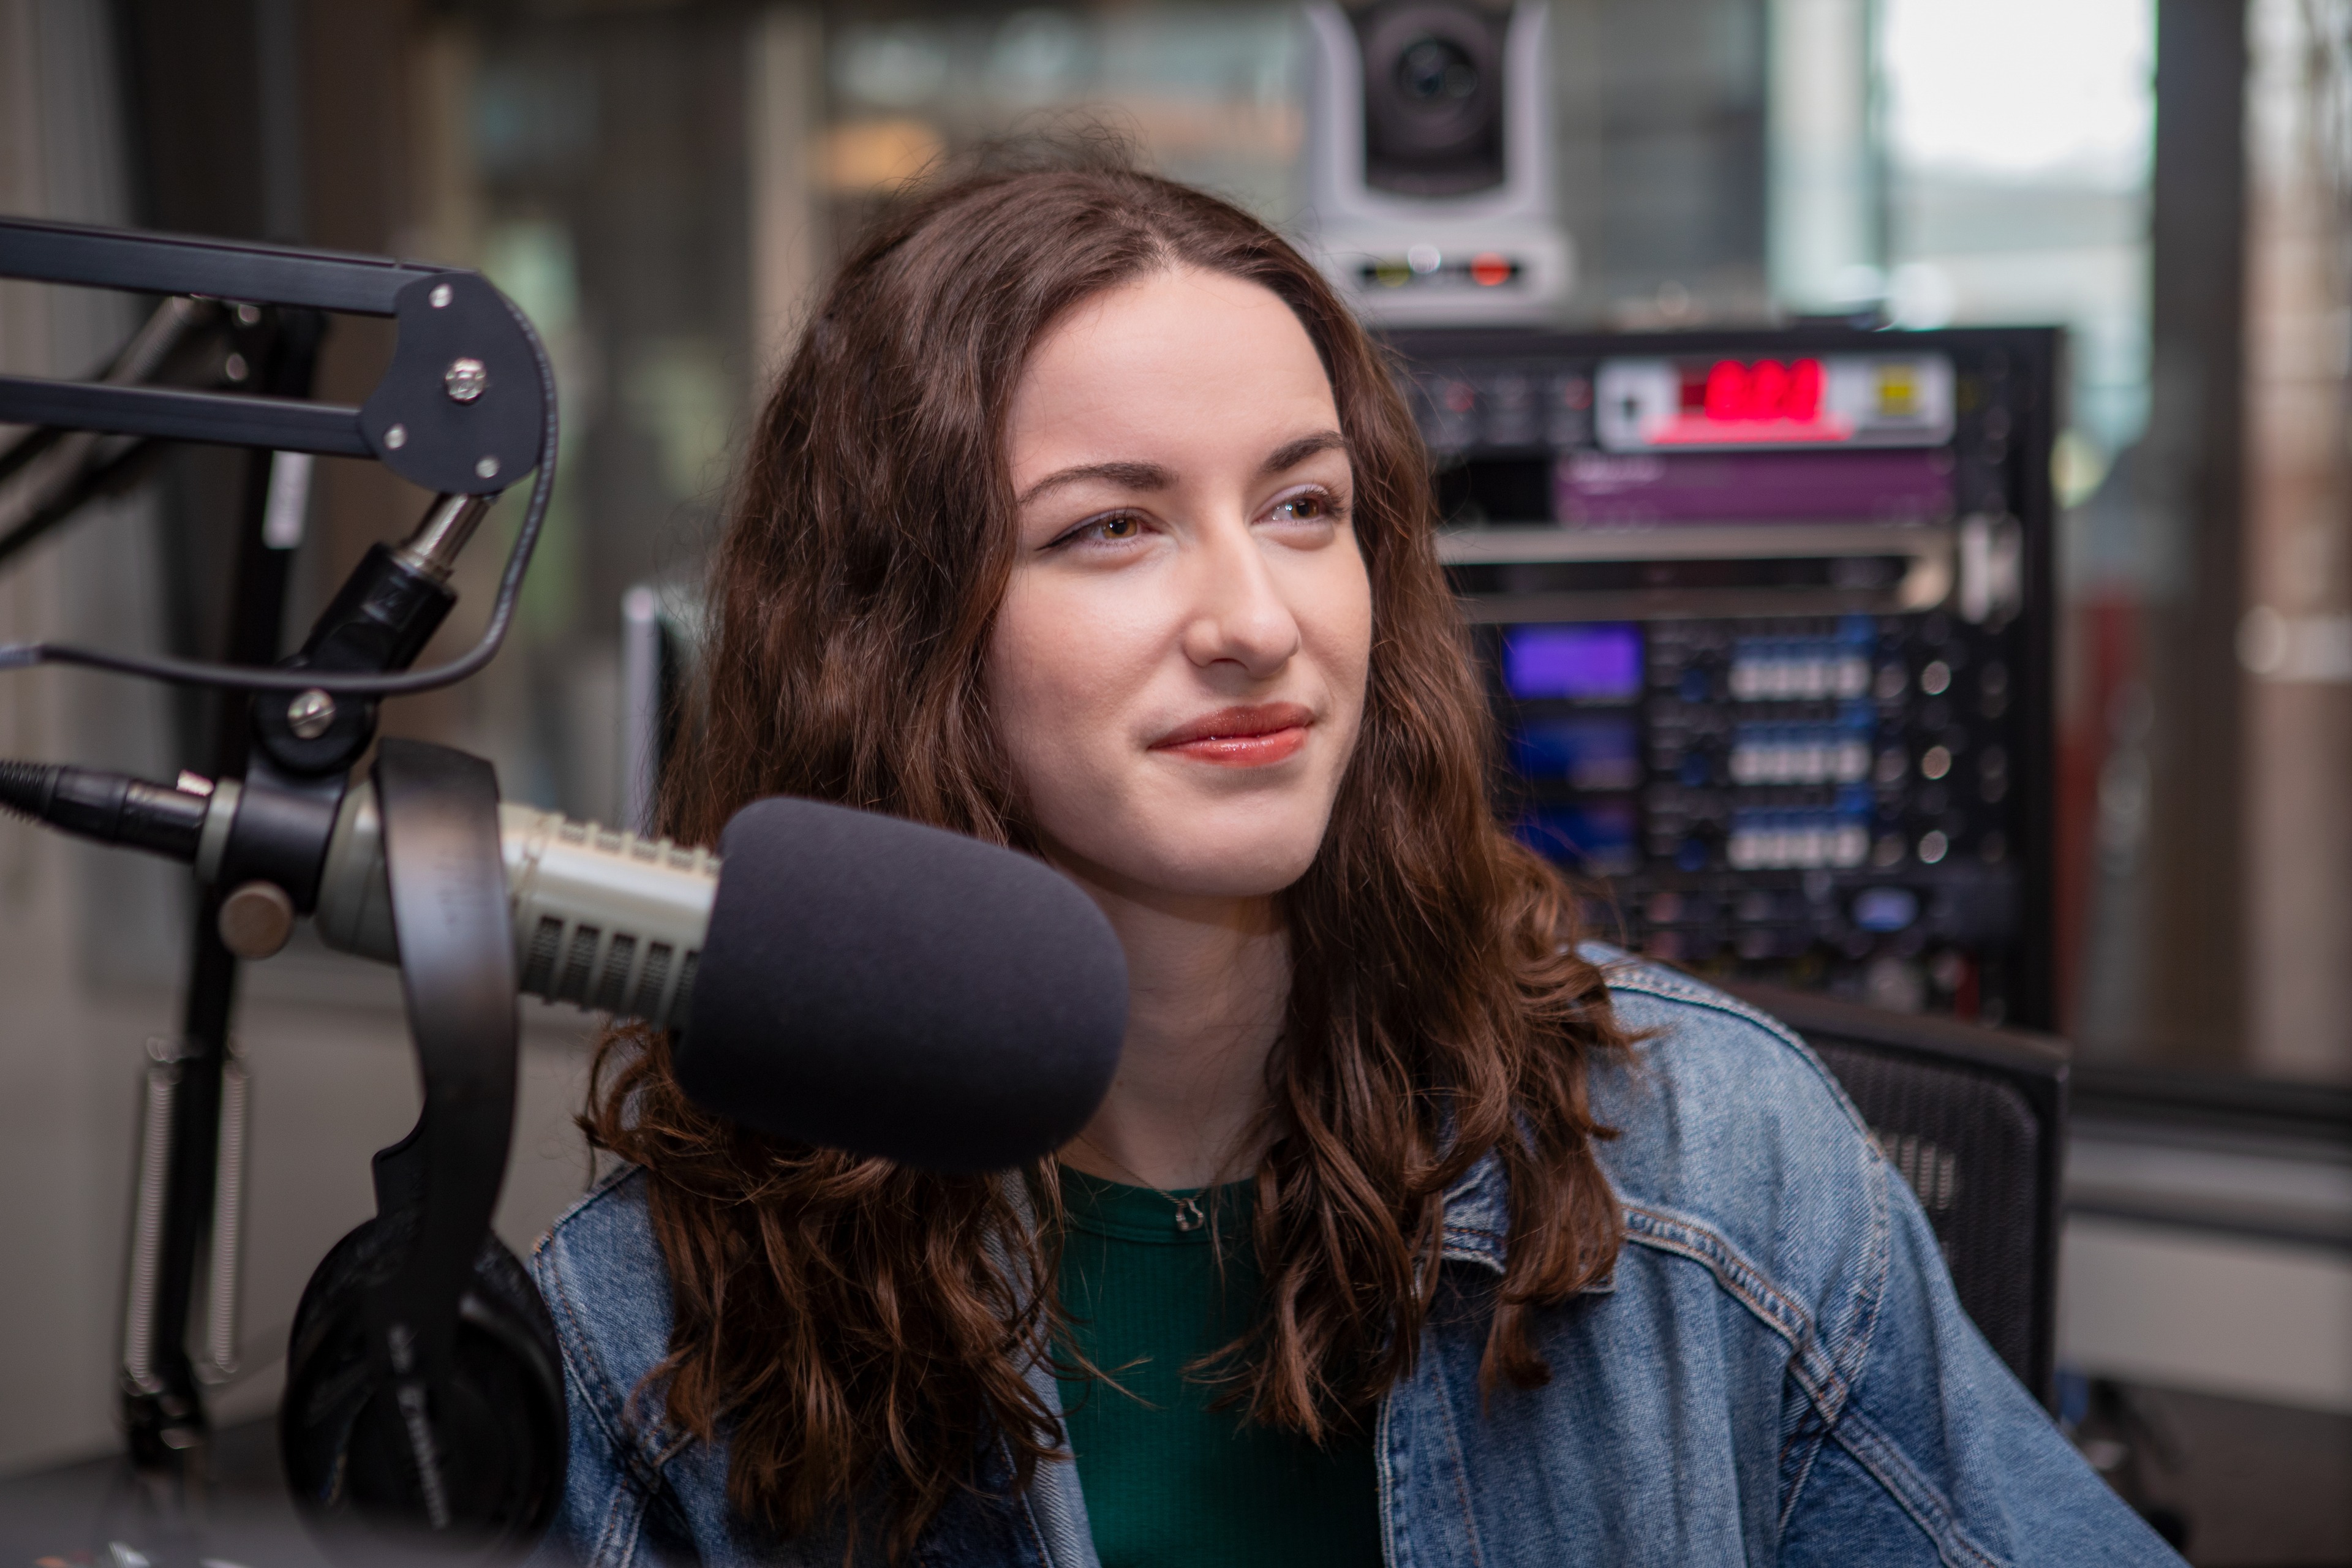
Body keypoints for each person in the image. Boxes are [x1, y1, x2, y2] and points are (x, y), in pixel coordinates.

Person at [530, 153, 2180, 1567]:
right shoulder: (655, 1313)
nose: (1259, 622)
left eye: (1306, 508)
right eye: (1112, 525)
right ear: (892, 641)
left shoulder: (1713, 1163)